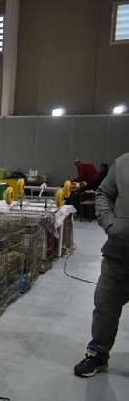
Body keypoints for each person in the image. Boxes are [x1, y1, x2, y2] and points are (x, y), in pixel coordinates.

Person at [74, 153, 129, 378]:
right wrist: (110, 224)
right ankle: (97, 354)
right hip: (119, 254)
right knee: (105, 307)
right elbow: (104, 193)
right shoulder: (124, 163)